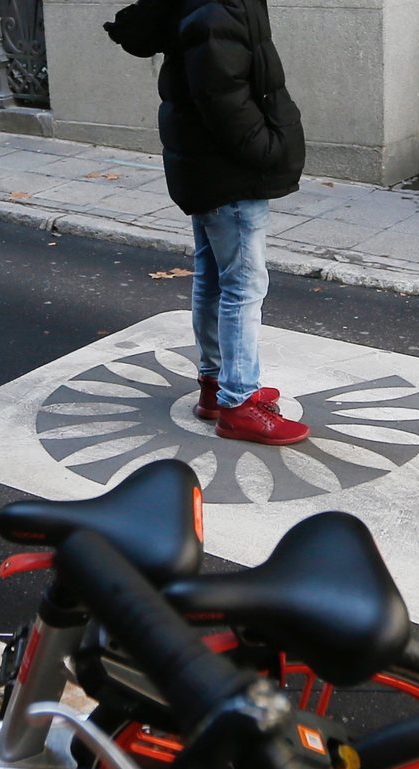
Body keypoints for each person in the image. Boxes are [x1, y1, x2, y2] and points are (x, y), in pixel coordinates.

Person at [105, 0, 310, 445]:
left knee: (215, 278)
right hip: (229, 171)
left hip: (205, 166)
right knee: (244, 284)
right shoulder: (219, 9)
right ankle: (238, 403)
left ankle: (217, 385)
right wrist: (271, 149)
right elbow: (225, 100)